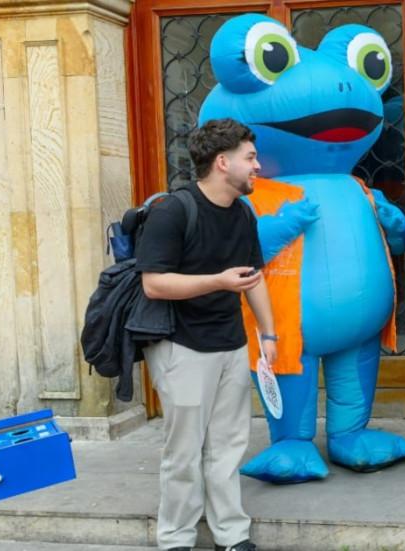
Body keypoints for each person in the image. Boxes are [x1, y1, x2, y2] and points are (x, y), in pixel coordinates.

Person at [136, 118, 275, 551]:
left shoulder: (244, 213)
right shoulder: (173, 211)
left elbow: (254, 276)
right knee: (183, 452)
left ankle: (231, 536)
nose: (257, 166)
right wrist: (217, 281)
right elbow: (154, 284)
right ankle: (175, 539)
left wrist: (268, 335)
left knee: (229, 446)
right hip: (182, 345)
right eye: (250, 157)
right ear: (222, 162)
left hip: (231, 343)